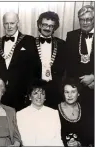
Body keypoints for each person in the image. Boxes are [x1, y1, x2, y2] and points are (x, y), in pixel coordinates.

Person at [0, 12, 37, 111]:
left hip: (21, 93)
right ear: (3, 24)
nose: (9, 26)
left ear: (18, 23)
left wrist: (30, 91)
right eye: (6, 23)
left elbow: (35, 68)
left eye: (12, 23)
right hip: (2, 93)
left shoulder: (29, 40)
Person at [65, 5, 94, 143]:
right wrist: (77, 85)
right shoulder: (71, 36)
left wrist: (93, 78)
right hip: (79, 87)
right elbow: (69, 64)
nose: (85, 22)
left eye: (89, 19)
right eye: (82, 19)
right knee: (80, 122)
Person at [16, 80, 64, 146]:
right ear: (30, 97)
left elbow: (58, 139)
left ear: (45, 97)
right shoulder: (20, 115)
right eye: (35, 93)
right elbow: (22, 139)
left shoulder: (53, 113)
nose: (39, 97)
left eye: (42, 94)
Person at [34, 11, 66, 109]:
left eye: (51, 26)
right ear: (39, 25)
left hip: (55, 90)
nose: (47, 28)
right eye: (45, 25)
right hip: (35, 90)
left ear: (54, 28)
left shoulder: (62, 45)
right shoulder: (29, 43)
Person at [58, 78, 93, 147]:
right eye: (67, 92)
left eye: (73, 92)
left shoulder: (86, 110)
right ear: (63, 93)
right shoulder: (55, 111)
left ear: (78, 93)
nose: (70, 95)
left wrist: (79, 144)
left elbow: (90, 134)